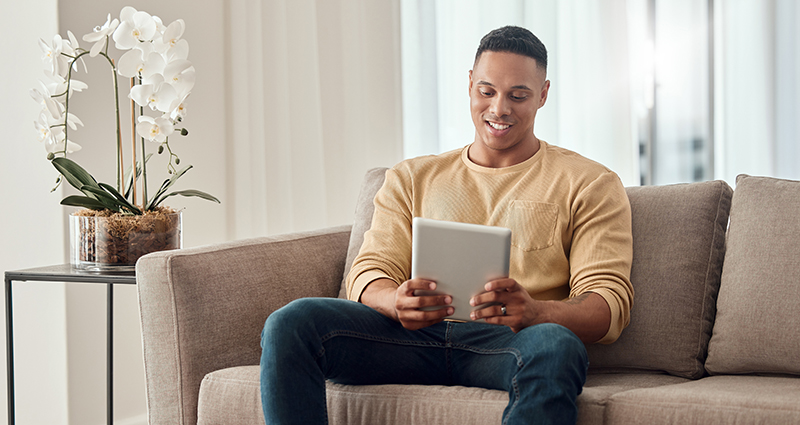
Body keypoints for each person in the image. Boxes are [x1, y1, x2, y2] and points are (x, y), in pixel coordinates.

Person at [260, 26, 633, 425]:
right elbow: (369, 271)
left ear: (542, 95)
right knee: (291, 323)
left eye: (518, 95)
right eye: (487, 91)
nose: (499, 109)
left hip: (508, 344)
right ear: (470, 85)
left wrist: (536, 311)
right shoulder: (411, 177)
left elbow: (608, 305)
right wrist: (395, 301)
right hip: (407, 338)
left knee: (558, 346)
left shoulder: (590, 182)